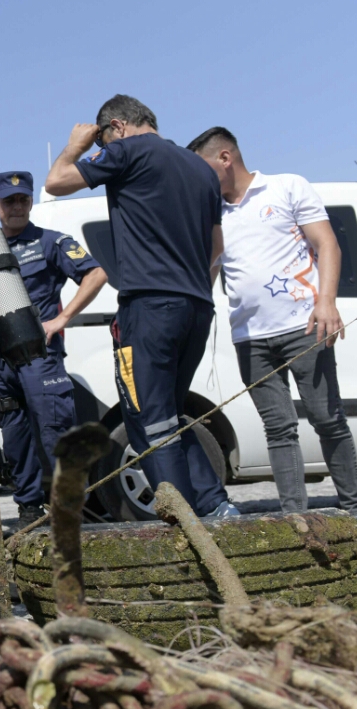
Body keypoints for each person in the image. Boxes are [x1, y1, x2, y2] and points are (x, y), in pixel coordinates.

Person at [44, 94, 240, 518]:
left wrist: (77, 145)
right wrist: (192, 291)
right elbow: (216, 250)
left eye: (104, 139)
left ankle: (184, 521)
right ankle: (214, 505)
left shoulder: (126, 150)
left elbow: (55, 182)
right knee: (168, 412)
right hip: (195, 307)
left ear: (116, 126)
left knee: (147, 419)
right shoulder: (201, 169)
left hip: (149, 308)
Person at [188, 127, 357, 543]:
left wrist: (327, 301)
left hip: (304, 327)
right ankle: (295, 521)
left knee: (327, 418)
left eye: (203, 168)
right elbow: (209, 268)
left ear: (225, 158)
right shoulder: (214, 212)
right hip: (250, 339)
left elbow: (327, 244)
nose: (200, 180)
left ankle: (356, 511)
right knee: (279, 430)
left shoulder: (286, 187)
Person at [0, 172, 108, 526]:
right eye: (9, 201)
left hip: (41, 356)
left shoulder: (50, 241)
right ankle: (28, 509)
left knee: (56, 431)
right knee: (16, 437)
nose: (17, 207)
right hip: (2, 361)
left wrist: (63, 318)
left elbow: (96, 274)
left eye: (23, 200)